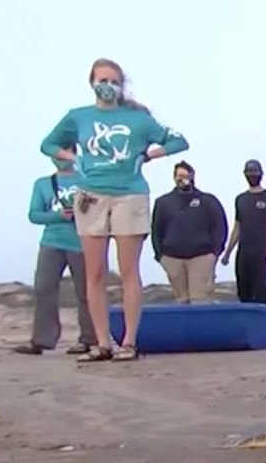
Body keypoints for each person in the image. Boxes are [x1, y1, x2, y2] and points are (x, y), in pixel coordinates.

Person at [40, 57, 189, 363]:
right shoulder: (78, 117)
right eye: (102, 80)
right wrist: (73, 159)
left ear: (121, 86)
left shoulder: (138, 120)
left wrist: (149, 155)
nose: (107, 86)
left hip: (129, 195)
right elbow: (48, 144)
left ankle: (129, 341)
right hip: (91, 195)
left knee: (128, 271)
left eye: (113, 81)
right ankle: (102, 342)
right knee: (94, 273)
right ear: (92, 82)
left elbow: (178, 141)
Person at [13, 147, 97, 356]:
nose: (60, 158)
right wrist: (58, 216)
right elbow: (34, 214)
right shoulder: (43, 184)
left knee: (86, 292)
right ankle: (42, 340)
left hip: (82, 242)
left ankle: (89, 339)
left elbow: (99, 209)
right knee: (43, 288)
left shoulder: (87, 180)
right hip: (51, 241)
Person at [151, 161, 227, 304]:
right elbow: (156, 229)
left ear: (192, 176)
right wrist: (160, 256)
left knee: (200, 299)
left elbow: (220, 226)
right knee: (182, 300)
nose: (182, 179)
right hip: (172, 258)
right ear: (174, 178)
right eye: (179, 176)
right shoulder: (163, 202)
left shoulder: (208, 201)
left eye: (186, 175)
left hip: (201, 256)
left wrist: (215, 252)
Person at [222, 160, 266, 305]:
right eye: (249, 173)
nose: (252, 176)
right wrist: (228, 253)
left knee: (261, 293)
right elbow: (237, 227)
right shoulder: (241, 199)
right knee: (243, 292)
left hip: (262, 252)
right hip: (243, 252)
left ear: (261, 174)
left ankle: (263, 322)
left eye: (254, 173)